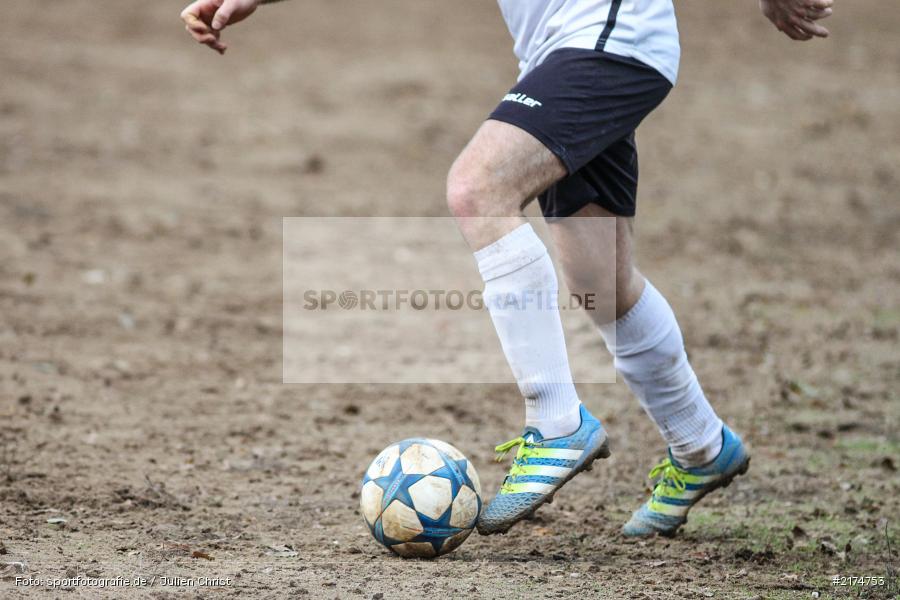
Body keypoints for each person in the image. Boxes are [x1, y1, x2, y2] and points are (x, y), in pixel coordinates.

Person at [181, 0, 834, 537]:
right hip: (571, 48)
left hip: (609, 35)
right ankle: (701, 444)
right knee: (599, 281)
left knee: (477, 188)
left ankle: (555, 424)